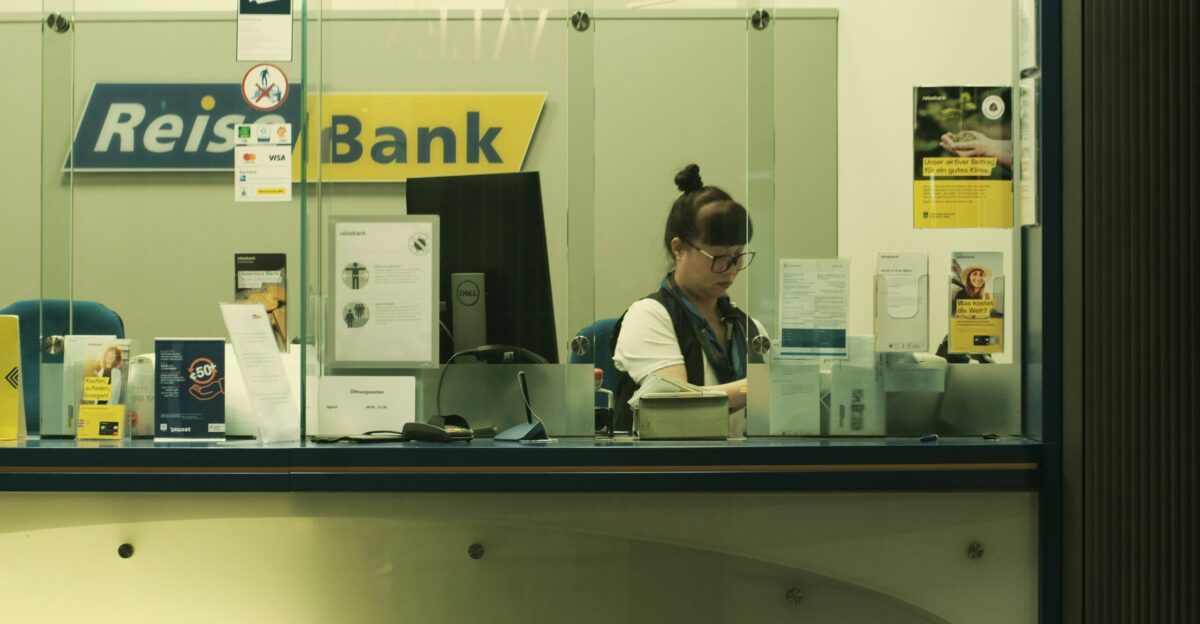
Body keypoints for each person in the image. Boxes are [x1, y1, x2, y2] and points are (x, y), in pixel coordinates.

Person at [610, 164, 766, 431]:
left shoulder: (748, 328)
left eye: (737, 256)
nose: (730, 270)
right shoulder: (649, 315)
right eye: (717, 257)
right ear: (679, 248)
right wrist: (763, 387)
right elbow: (677, 405)